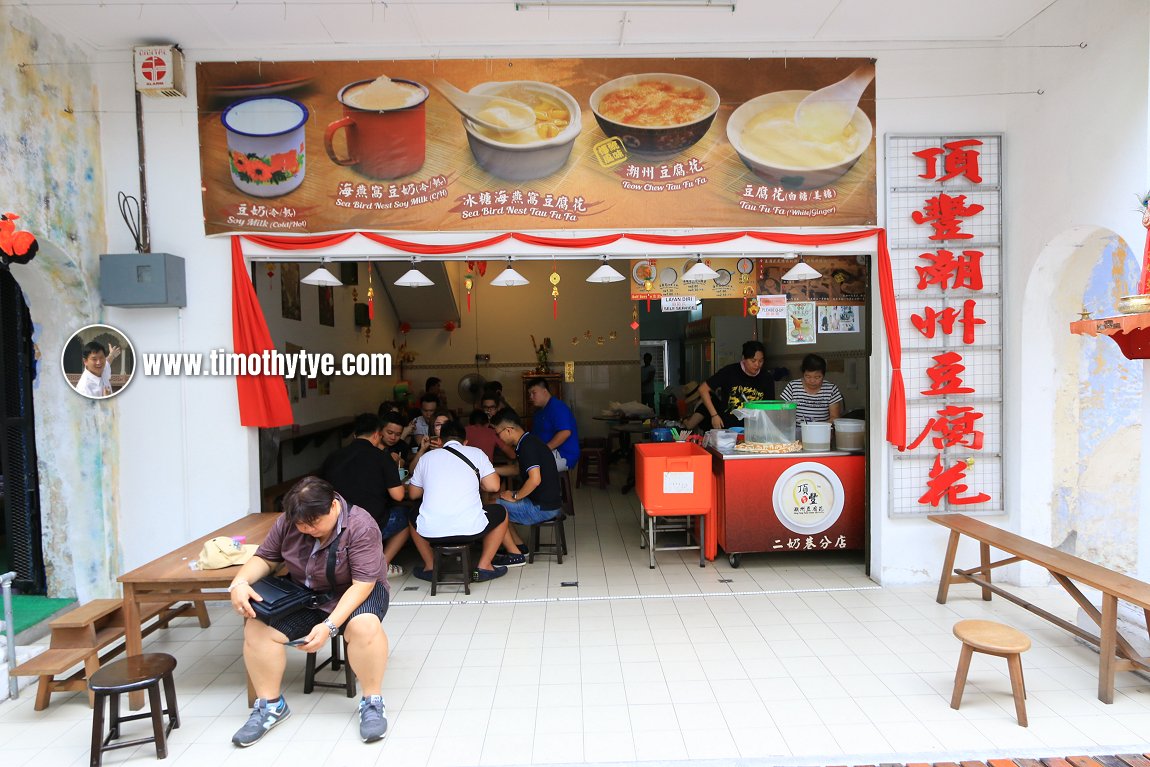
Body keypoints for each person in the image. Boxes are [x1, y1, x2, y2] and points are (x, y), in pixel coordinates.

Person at [227, 477, 391, 747]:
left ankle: (372, 701)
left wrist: (329, 626)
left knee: (364, 626)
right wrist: (240, 583)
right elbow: (266, 558)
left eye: (313, 523)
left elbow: (363, 584)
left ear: (334, 507)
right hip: (306, 593)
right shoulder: (289, 522)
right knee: (256, 625)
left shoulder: (361, 525)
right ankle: (270, 705)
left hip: (354, 591)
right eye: (301, 525)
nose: (306, 529)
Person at [406, 419, 509, 582]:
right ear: (465, 442)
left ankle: (430, 567)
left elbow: (413, 494)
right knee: (501, 512)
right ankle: (484, 566)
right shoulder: (477, 453)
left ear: (440, 441)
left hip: (432, 532)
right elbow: (494, 486)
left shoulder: (426, 459)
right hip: (471, 530)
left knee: (412, 514)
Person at [319, 413, 408, 578]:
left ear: (354, 435)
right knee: (405, 518)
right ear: (376, 435)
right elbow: (398, 496)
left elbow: (321, 490)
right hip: (371, 523)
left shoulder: (333, 457)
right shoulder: (382, 457)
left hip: (337, 523)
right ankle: (381, 565)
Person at [491, 409, 563, 567]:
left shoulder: (527, 447)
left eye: (498, 434)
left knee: (494, 508)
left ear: (508, 430)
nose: (499, 438)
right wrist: (490, 470)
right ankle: (519, 547)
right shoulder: (527, 442)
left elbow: (535, 479)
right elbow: (517, 469)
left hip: (542, 507)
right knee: (501, 500)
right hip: (548, 503)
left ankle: (515, 555)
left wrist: (516, 496)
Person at [695, 340, 773, 430]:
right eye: (753, 361)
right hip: (729, 429)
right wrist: (714, 415)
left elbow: (769, 407)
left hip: (756, 430)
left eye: (761, 361)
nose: (757, 365)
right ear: (743, 359)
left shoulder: (766, 377)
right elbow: (703, 389)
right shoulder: (729, 372)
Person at [525, 377, 579, 471]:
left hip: (563, 454)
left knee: (530, 467)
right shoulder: (539, 412)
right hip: (548, 452)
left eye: (534, 393)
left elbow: (565, 433)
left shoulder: (557, 407)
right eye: (529, 394)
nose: (531, 397)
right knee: (523, 461)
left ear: (545, 391)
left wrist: (543, 450)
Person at [779, 353, 844, 425]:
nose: (812, 381)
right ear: (803, 374)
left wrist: (817, 428)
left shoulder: (831, 389)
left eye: (817, 377)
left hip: (821, 431)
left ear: (823, 375)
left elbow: (834, 417)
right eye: (808, 376)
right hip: (797, 431)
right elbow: (784, 414)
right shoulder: (792, 387)